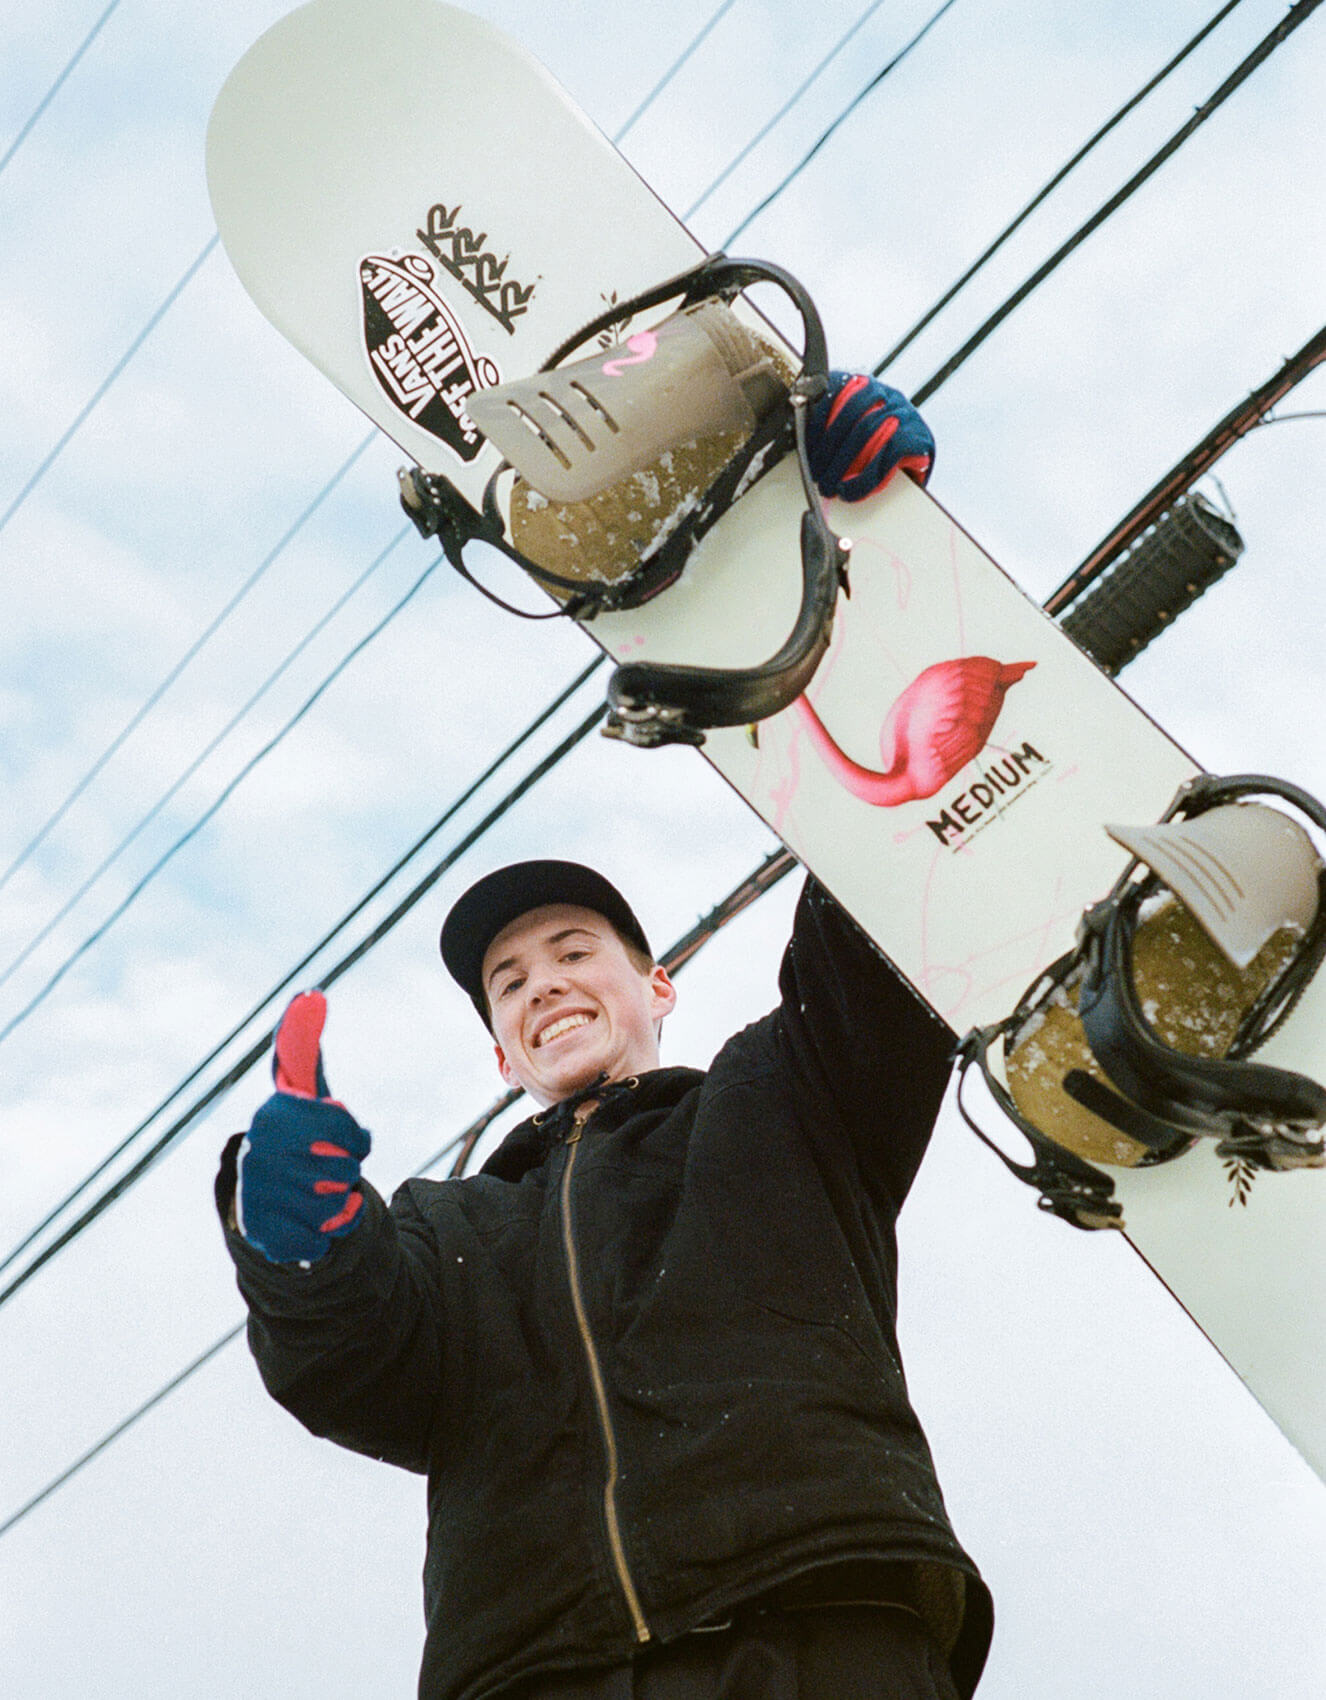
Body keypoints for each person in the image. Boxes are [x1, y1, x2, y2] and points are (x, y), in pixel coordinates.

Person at [217, 375, 993, 1700]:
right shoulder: (445, 1235)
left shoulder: (785, 1101)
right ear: (498, 1053)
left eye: (576, 951)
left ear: (659, 986)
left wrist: (880, 553)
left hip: (819, 1623)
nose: (543, 984)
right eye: (509, 981)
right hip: (539, 1669)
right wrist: (299, 1242)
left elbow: (889, 869)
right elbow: (352, 1363)